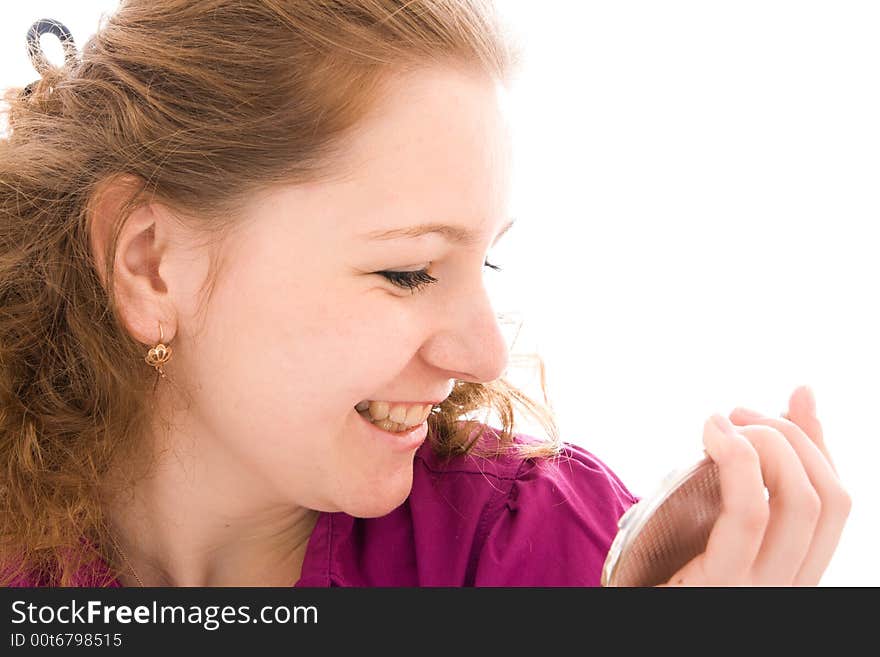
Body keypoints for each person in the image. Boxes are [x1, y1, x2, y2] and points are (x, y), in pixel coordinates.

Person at [0, 2, 849, 588]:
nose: (482, 353)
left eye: (486, 264)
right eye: (408, 271)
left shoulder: (554, 555)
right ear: (152, 264)